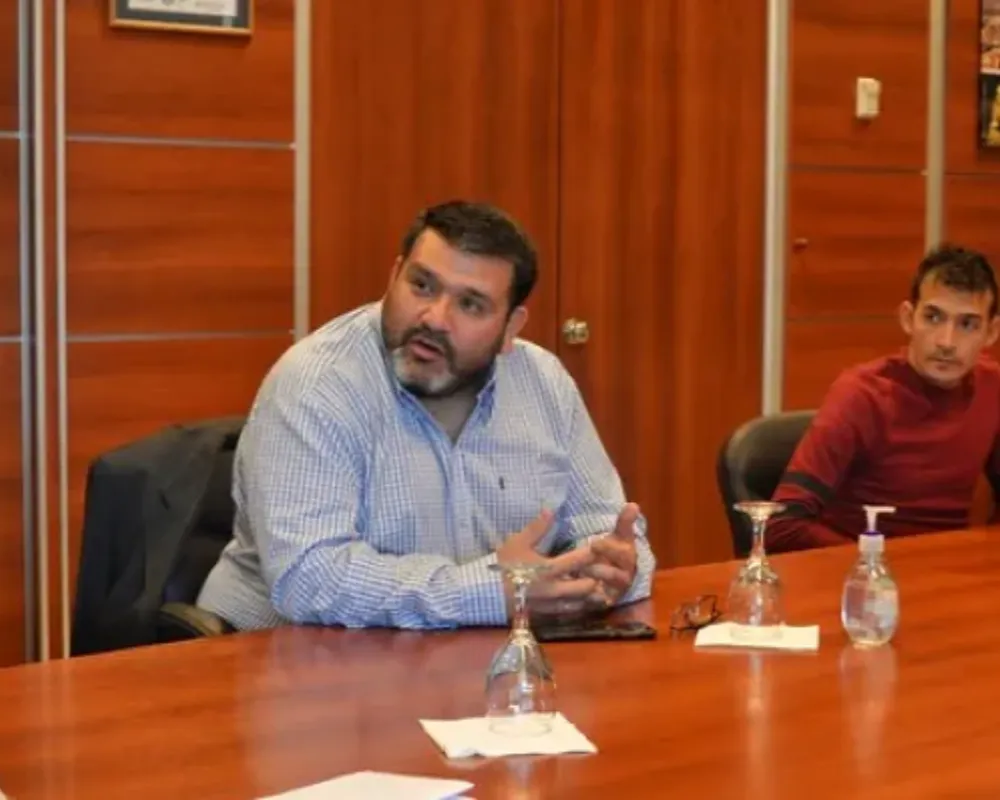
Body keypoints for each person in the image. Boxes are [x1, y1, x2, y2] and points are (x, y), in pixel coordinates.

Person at [197, 200, 655, 630]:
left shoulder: (543, 383)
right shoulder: (317, 383)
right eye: (422, 286)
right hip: (277, 658)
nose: (434, 318)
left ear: (510, 328)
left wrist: (606, 568)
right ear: (394, 276)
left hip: (460, 659)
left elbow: (605, 527)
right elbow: (309, 577)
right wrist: (490, 592)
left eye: (470, 304)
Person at [767, 244, 1000, 552]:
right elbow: (782, 525)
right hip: (855, 570)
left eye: (967, 324)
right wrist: (875, 563)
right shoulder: (861, 394)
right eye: (933, 317)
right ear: (908, 318)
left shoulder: (992, 388)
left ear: (991, 332)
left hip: (942, 570)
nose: (946, 341)